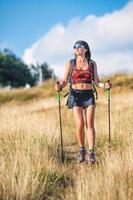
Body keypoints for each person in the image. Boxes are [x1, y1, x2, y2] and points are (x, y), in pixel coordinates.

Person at [55, 40, 111, 164]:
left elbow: (96, 81)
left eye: (79, 47)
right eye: (75, 47)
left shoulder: (92, 63)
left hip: (89, 95)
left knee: (89, 124)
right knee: (80, 123)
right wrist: (59, 86)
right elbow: (64, 81)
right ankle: (81, 150)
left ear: (85, 49)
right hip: (75, 95)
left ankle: (91, 153)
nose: (77, 48)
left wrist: (105, 85)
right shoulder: (70, 63)